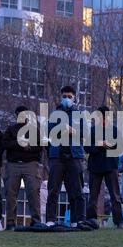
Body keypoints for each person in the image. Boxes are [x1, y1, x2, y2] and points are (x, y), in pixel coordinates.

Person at [46, 86, 88, 229]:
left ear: (74, 98)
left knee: (77, 190)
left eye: (69, 96)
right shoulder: (54, 114)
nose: (67, 99)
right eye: (64, 96)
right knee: (53, 189)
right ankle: (50, 220)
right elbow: (49, 131)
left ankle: (78, 220)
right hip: (57, 156)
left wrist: (72, 130)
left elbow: (85, 133)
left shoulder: (80, 115)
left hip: (74, 155)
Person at [85, 106, 123, 229]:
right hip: (95, 167)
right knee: (93, 196)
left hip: (111, 166)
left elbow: (120, 148)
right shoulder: (91, 131)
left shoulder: (114, 130)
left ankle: (119, 222)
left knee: (115, 196)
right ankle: (91, 221)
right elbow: (86, 148)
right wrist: (100, 145)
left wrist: (110, 146)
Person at [2, 106, 42, 231]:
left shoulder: (34, 129)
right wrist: (20, 143)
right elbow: (5, 144)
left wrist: (29, 145)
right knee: (10, 194)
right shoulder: (10, 129)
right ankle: (10, 223)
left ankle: (36, 221)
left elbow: (40, 146)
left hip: (30, 164)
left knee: (33, 192)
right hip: (13, 164)